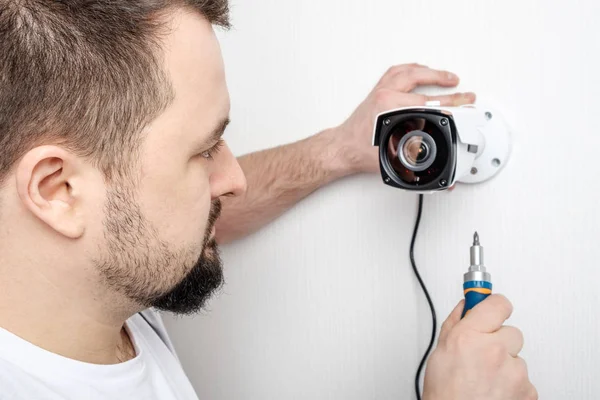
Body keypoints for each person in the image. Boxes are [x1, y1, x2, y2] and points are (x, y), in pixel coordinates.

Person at [0, 1, 537, 399]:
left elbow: (175, 215)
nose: (235, 178)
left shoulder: (91, 274)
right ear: (58, 190)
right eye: (205, 149)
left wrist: (339, 150)